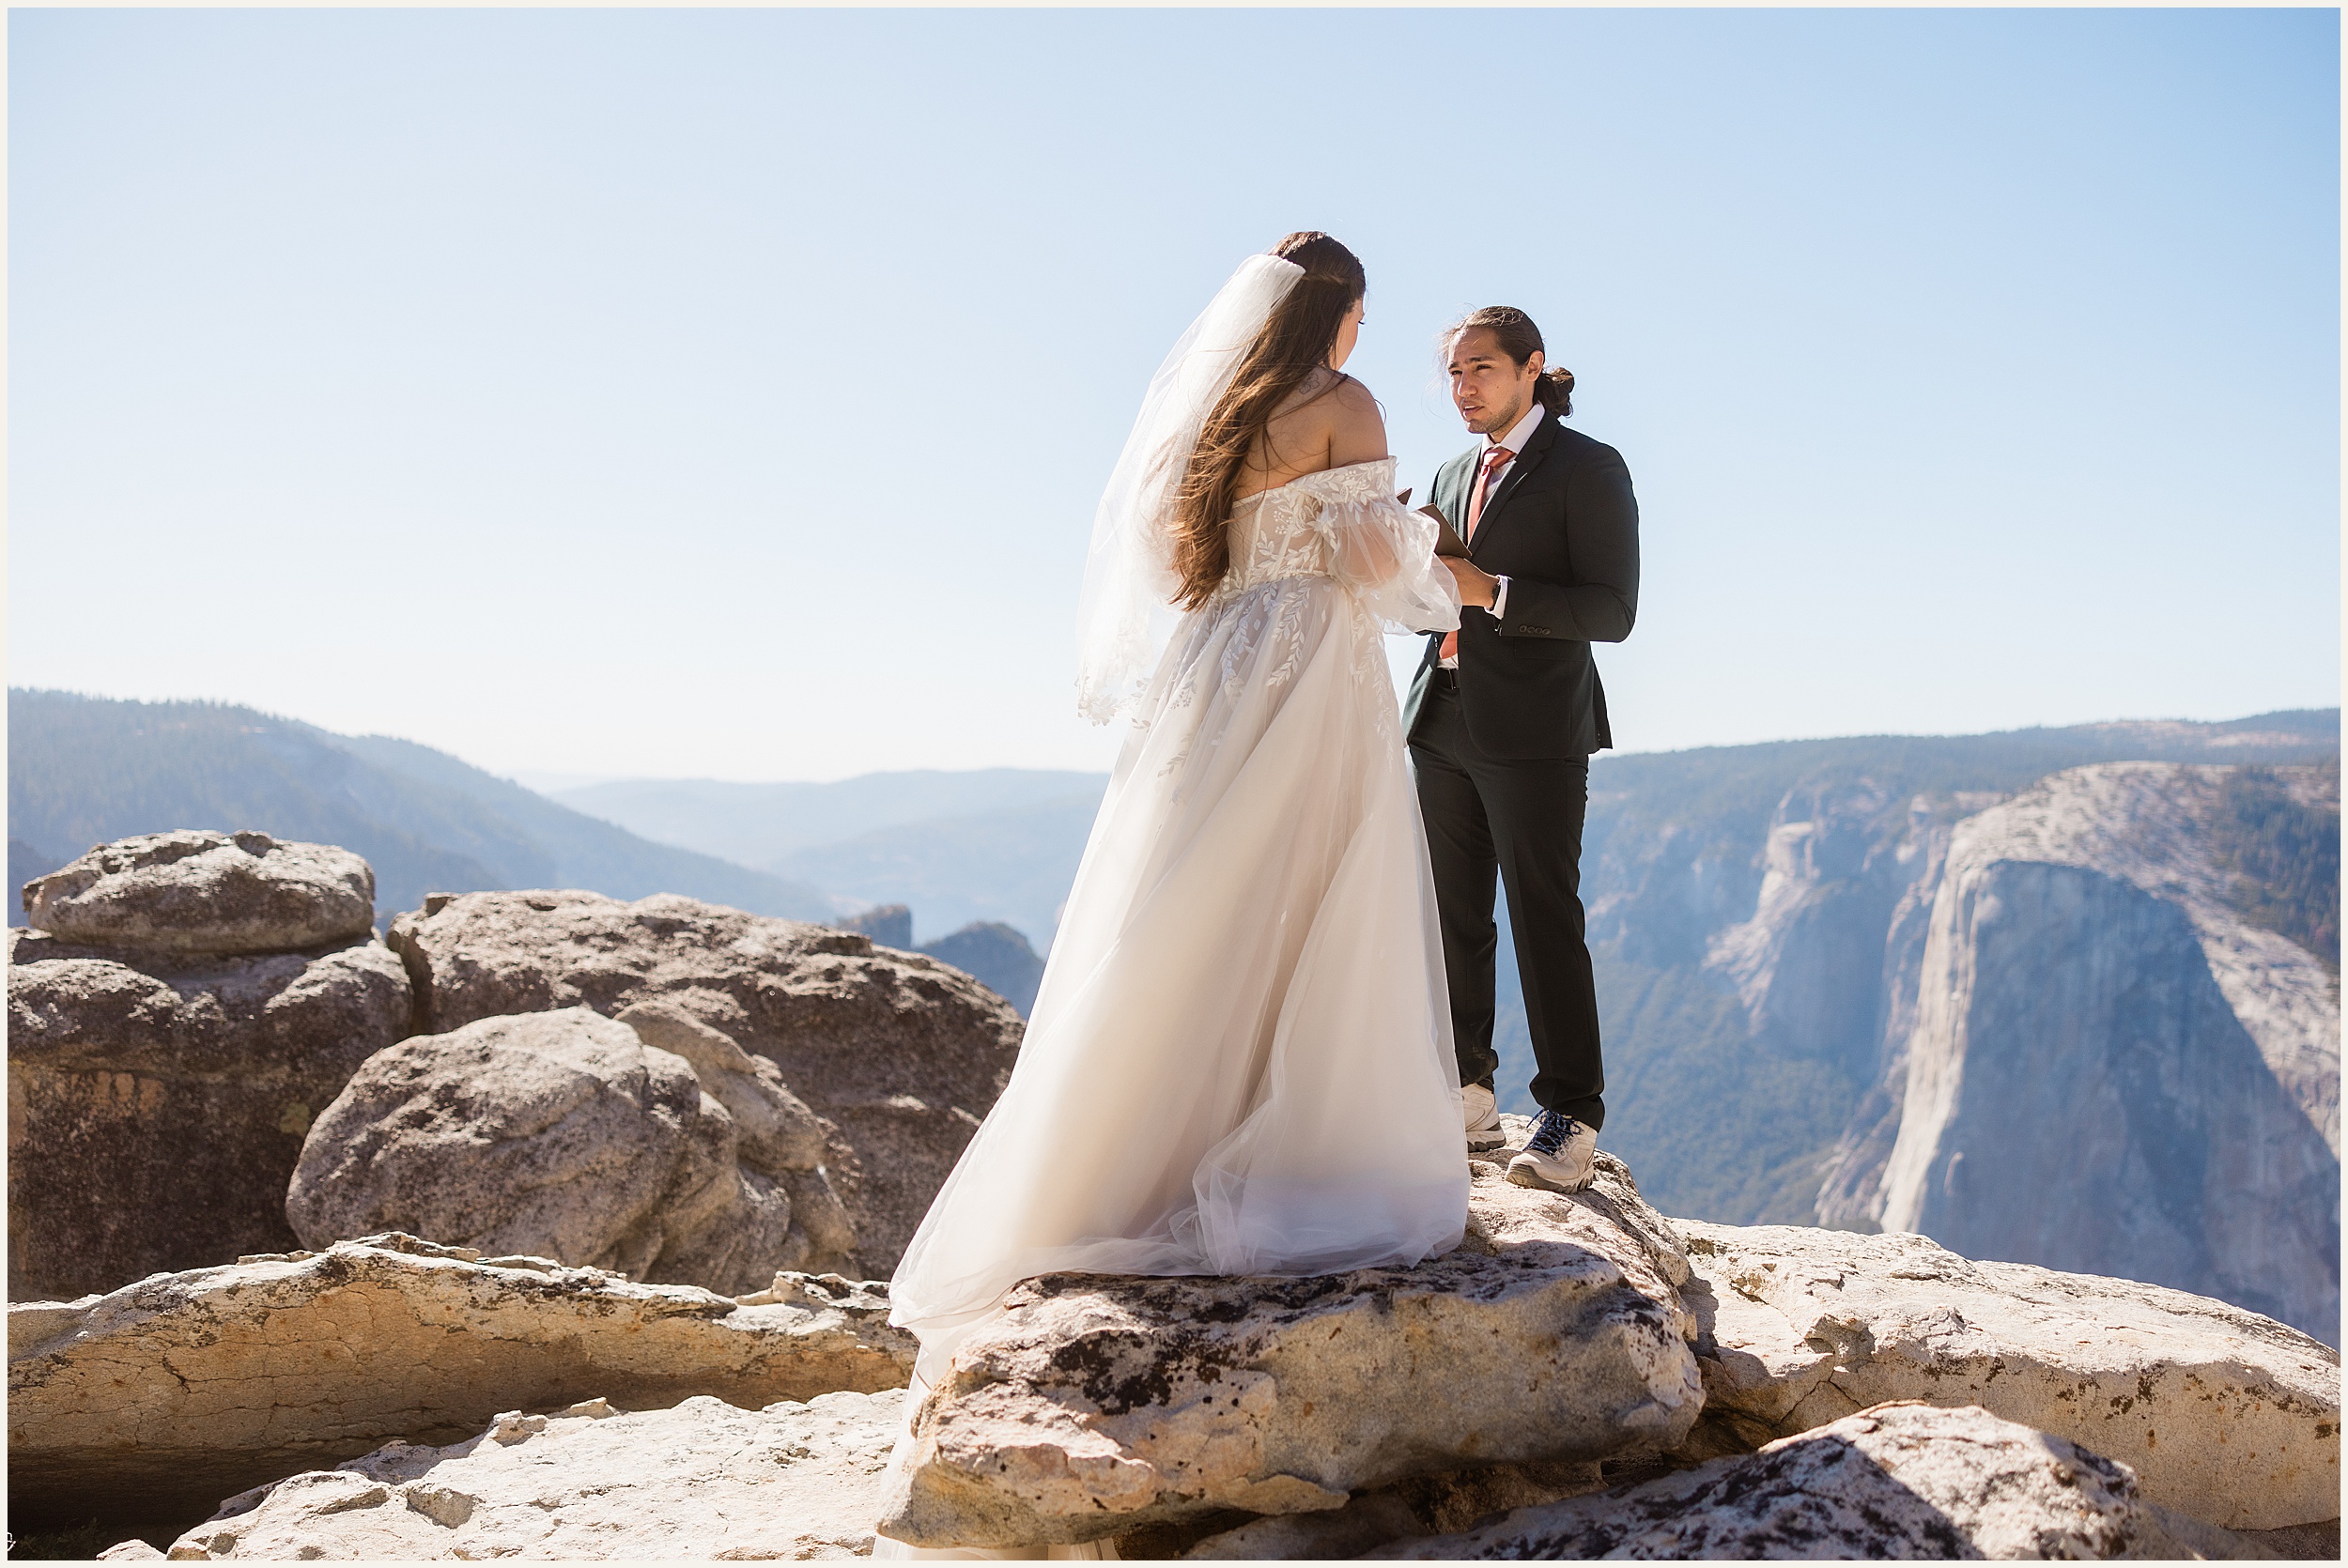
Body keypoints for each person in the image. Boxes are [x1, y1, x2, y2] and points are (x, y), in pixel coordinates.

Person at [874, 233, 1469, 1556]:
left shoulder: (1224, 413)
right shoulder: (1346, 403)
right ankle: (1292, 1135)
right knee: (1315, 893)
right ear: (1347, 316)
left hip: (1215, 667)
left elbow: (1179, 555)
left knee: (1185, 908)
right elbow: (1374, 567)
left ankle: (1116, 1153)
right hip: (1309, 671)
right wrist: (1441, 569)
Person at [1406, 307, 1640, 1195]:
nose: (1463, 389)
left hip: (1538, 729)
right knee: (1451, 916)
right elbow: (1445, 593)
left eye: (1481, 371)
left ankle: (1570, 1115)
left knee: (1545, 916)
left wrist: (1492, 589)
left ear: (1532, 368)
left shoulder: (1589, 468)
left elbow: (1613, 611)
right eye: (1455, 374)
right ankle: (1467, 1096)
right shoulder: (1453, 469)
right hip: (1441, 716)